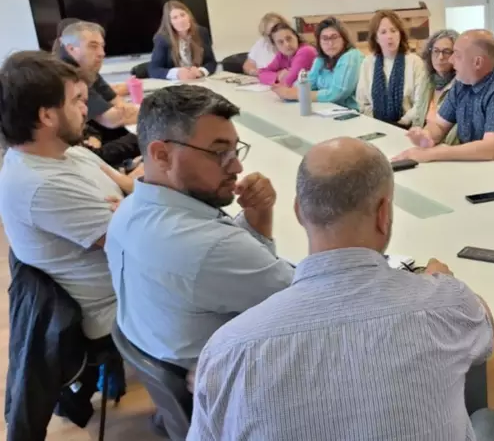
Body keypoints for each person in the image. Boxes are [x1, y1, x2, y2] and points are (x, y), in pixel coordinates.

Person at [188, 137, 494, 441]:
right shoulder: (448, 304)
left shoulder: (227, 350)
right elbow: (484, 323)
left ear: (299, 211)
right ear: (384, 214)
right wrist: (443, 283)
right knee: (491, 421)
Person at [105, 85, 294, 373]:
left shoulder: (127, 210)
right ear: (162, 155)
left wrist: (259, 214)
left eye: (234, 150)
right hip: (239, 384)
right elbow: (314, 304)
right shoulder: (212, 248)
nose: (237, 167)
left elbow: (225, 264)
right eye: (219, 152)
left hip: (170, 359)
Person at [0, 51, 140, 344]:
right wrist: (139, 202)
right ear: (47, 116)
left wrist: (131, 204)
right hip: (125, 307)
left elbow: (128, 188)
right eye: (77, 100)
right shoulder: (42, 185)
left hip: (139, 279)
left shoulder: (66, 152)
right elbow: (142, 243)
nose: (85, 109)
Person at [393, 30, 494, 173]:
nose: (451, 60)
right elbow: (439, 125)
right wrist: (427, 135)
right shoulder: (463, 81)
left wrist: (435, 153)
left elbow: (490, 149)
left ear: (477, 62)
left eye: (457, 55)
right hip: (478, 168)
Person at [57, 20, 141, 167]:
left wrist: (122, 112)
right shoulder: (68, 76)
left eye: (102, 46)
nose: (102, 53)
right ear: (71, 49)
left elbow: (118, 102)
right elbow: (112, 120)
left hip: (94, 140)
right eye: (93, 46)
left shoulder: (87, 69)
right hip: (81, 155)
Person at [268, 16, 363, 108]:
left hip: (352, 112)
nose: (330, 43)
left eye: (334, 37)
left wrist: (295, 94)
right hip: (327, 109)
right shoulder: (321, 59)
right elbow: (306, 84)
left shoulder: (351, 56)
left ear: (344, 39)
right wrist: (289, 93)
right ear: (319, 42)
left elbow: (337, 93)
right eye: (325, 38)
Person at [355, 9, 429, 126]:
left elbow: (420, 103)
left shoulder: (415, 62)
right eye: (383, 32)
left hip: (408, 127)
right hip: (375, 126)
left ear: (400, 34)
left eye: (393, 31)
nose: (389, 36)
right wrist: (376, 124)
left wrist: (402, 123)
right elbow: (362, 103)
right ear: (376, 38)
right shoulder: (368, 63)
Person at [149, 0, 218, 80]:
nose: (181, 20)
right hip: (176, 83)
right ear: (170, 22)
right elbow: (153, 69)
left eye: (183, 15)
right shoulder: (162, 39)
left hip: (199, 81)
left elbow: (211, 62)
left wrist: (201, 71)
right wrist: (176, 73)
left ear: (189, 16)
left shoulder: (201, 32)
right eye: (175, 18)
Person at [414, 28, 460, 146]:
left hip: (447, 148)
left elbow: (456, 132)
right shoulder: (427, 80)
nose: (440, 57)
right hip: (424, 143)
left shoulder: (461, 84)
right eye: (436, 51)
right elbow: (418, 117)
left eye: (447, 52)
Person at [258, 23, 318, 101]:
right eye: (280, 42)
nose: (287, 44)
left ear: (296, 37)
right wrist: (277, 76)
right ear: (275, 46)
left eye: (289, 38)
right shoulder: (281, 55)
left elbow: (288, 84)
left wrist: (284, 77)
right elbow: (261, 73)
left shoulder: (306, 51)